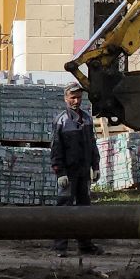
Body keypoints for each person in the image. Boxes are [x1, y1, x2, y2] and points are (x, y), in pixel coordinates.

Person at [49, 83, 101, 256]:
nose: (76, 101)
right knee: (64, 208)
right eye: (73, 97)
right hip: (68, 174)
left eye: (79, 97)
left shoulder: (86, 119)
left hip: (83, 172)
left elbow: (92, 145)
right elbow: (56, 148)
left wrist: (95, 166)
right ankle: (60, 247)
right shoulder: (61, 120)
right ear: (66, 99)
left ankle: (85, 245)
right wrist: (60, 172)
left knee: (84, 209)